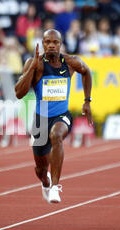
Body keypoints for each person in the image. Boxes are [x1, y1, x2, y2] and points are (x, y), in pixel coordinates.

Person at [14, 29, 93, 204]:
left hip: (62, 115)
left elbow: (87, 72)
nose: (51, 45)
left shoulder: (71, 62)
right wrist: (31, 69)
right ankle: (46, 181)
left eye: (55, 42)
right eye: (47, 42)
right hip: (40, 120)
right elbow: (19, 93)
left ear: (60, 43)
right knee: (40, 169)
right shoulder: (35, 63)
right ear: (42, 44)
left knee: (56, 136)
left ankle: (56, 187)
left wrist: (87, 101)